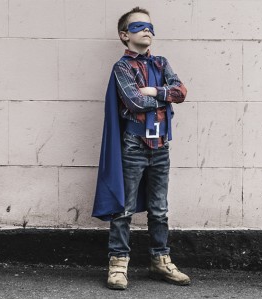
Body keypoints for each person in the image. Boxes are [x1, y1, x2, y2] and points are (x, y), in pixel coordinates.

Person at [92, 6, 190, 290]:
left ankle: (160, 259)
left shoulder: (161, 63)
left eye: (149, 26)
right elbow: (134, 102)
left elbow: (181, 91)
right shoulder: (122, 67)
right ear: (125, 35)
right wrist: (163, 96)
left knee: (159, 208)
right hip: (133, 145)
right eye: (138, 27)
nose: (146, 30)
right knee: (124, 207)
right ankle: (118, 263)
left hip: (160, 145)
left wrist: (155, 91)